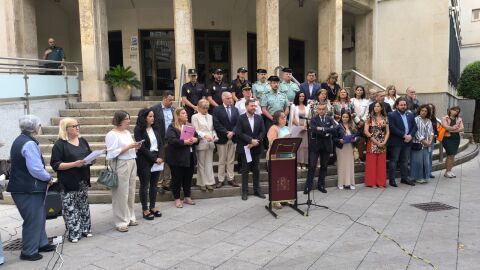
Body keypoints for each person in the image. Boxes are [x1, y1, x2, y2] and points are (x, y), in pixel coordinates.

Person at [7, 115, 56, 261]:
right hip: (28, 189)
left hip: (25, 188)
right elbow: (36, 169)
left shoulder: (21, 139)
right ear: (35, 128)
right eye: (39, 125)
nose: (40, 128)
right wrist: (48, 178)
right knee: (33, 219)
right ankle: (28, 251)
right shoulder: (29, 143)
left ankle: (41, 243)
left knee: (39, 217)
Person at [50, 118, 93, 242]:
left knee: (83, 205)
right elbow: (56, 165)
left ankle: (86, 229)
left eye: (78, 125)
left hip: (83, 179)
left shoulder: (83, 140)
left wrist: (92, 160)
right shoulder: (60, 144)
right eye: (74, 126)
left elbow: (88, 155)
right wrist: (74, 164)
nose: (77, 128)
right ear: (66, 129)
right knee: (70, 207)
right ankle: (74, 233)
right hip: (68, 181)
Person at [105, 111, 142, 232]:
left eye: (129, 118)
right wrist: (129, 147)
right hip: (121, 163)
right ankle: (121, 221)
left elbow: (129, 147)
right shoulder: (112, 134)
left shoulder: (126, 132)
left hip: (132, 161)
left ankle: (130, 217)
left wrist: (135, 147)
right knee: (121, 193)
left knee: (131, 191)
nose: (129, 121)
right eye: (127, 119)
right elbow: (111, 152)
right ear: (120, 120)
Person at [165, 108, 199, 208]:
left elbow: (198, 139)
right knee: (177, 179)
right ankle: (177, 198)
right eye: (183, 113)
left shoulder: (190, 126)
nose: (186, 114)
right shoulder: (172, 127)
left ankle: (187, 196)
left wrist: (196, 139)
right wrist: (184, 142)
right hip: (177, 158)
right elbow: (171, 140)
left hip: (190, 157)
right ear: (178, 115)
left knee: (188, 178)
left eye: (186, 113)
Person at [134, 109, 164, 220]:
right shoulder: (138, 129)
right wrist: (154, 158)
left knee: (154, 185)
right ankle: (145, 209)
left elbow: (161, 144)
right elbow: (142, 147)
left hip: (157, 159)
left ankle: (152, 207)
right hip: (144, 160)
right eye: (150, 116)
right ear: (144, 117)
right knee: (144, 185)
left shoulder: (156, 128)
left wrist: (160, 156)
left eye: (153, 116)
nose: (153, 118)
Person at [234, 99, 266, 200]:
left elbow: (263, 131)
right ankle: (245, 191)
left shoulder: (259, 117)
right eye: (252, 106)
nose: (254, 108)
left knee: (256, 169)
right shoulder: (241, 118)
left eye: (255, 106)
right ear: (246, 106)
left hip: (256, 147)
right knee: (245, 170)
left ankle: (257, 190)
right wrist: (250, 140)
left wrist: (256, 141)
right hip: (246, 148)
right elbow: (239, 132)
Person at [305, 103, 336, 194]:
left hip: (326, 145)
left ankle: (321, 185)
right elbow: (313, 129)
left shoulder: (330, 119)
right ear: (317, 110)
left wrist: (322, 129)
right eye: (319, 109)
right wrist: (326, 130)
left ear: (326, 110)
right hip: (315, 145)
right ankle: (308, 186)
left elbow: (334, 129)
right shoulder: (313, 119)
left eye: (323, 109)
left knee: (324, 166)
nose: (321, 111)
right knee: (312, 166)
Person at [388, 97, 418, 187]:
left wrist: (410, 136)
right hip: (396, 142)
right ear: (397, 105)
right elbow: (392, 128)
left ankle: (404, 178)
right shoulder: (391, 115)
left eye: (404, 105)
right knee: (394, 160)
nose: (403, 106)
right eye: (401, 105)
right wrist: (404, 135)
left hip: (407, 142)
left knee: (405, 161)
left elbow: (415, 127)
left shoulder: (410, 114)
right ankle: (392, 180)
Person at [213, 92, 240, 188]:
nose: (230, 100)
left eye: (231, 98)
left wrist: (232, 132)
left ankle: (230, 178)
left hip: (233, 138)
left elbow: (238, 123)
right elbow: (216, 124)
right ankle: (220, 179)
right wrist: (226, 132)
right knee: (222, 160)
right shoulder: (217, 110)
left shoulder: (235, 109)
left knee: (231, 160)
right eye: (228, 98)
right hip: (222, 139)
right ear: (223, 99)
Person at [151, 91, 175, 192]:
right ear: (164, 98)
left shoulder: (173, 110)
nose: (171, 102)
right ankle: (159, 184)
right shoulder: (155, 109)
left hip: (171, 140)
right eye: (170, 100)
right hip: (160, 139)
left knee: (169, 162)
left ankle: (167, 182)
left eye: (172, 100)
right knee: (160, 161)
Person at [192, 99, 217, 191]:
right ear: (198, 107)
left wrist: (214, 135)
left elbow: (213, 129)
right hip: (202, 142)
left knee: (209, 163)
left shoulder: (210, 116)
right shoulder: (195, 117)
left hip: (210, 142)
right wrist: (204, 135)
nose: (206, 110)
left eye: (207, 108)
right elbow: (196, 130)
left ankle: (209, 182)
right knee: (201, 164)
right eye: (204, 108)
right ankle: (202, 183)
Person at [266, 111, 290, 208]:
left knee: (285, 178)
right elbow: (272, 142)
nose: (284, 119)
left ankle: (284, 197)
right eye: (282, 117)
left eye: (285, 117)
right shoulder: (273, 128)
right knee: (275, 178)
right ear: (277, 119)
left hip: (286, 156)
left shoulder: (287, 128)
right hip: (274, 157)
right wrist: (284, 138)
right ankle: (275, 200)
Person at [364, 102, 390, 188]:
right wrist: (376, 142)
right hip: (372, 143)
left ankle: (381, 182)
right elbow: (366, 131)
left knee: (381, 164)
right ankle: (372, 183)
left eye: (378, 106)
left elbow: (387, 131)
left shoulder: (385, 118)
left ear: (381, 108)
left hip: (382, 143)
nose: (376, 108)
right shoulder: (369, 118)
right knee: (371, 164)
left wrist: (384, 142)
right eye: (375, 106)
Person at [333, 111, 359, 189]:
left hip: (350, 147)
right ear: (341, 117)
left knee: (350, 165)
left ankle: (351, 183)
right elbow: (334, 138)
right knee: (341, 165)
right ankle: (341, 183)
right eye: (343, 117)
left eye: (346, 117)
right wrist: (339, 140)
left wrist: (355, 139)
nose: (345, 118)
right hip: (341, 148)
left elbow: (358, 136)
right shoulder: (338, 126)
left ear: (349, 118)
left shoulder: (352, 126)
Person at [261, 75, 289, 145]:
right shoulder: (266, 95)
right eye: (274, 83)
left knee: (282, 138)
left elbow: (287, 108)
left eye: (277, 83)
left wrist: (283, 117)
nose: (276, 84)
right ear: (270, 84)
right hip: (270, 119)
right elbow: (263, 109)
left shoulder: (283, 95)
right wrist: (273, 118)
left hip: (282, 119)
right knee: (271, 140)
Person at [410, 105, 434, 184]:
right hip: (418, 144)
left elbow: (431, 132)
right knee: (418, 161)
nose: (423, 112)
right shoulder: (416, 119)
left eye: (425, 111)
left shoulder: (429, 120)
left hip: (427, 145)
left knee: (426, 162)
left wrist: (430, 141)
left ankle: (425, 176)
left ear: (428, 112)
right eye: (422, 110)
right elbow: (416, 132)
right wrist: (424, 141)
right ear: (419, 111)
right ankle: (417, 177)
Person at [441, 106, 464, 178]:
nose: (455, 112)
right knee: (450, 154)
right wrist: (454, 128)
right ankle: (447, 172)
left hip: (456, 138)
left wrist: (452, 130)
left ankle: (449, 170)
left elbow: (462, 128)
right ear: (450, 110)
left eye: (457, 111)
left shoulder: (459, 119)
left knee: (453, 155)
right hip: (447, 138)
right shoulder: (445, 118)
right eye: (454, 110)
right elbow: (445, 127)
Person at [291, 91, 311, 170]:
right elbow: (292, 119)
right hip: (297, 128)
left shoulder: (308, 106)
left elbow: (309, 117)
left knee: (305, 146)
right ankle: (298, 163)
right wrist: (300, 127)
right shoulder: (294, 106)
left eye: (303, 96)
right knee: (298, 146)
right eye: (300, 96)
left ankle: (304, 163)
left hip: (305, 128)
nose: (302, 97)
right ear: (297, 97)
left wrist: (305, 126)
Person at [350, 85, 369, 162]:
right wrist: (358, 121)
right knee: (354, 139)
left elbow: (367, 112)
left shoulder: (366, 101)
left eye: (361, 90)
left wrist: (363, 121)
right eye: (358, 90)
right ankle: (353, 157)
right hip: (354, 122)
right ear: (355, 91)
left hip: (363, 123)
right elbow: (352, 111)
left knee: (361, 140)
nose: (359, 91)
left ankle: (359, 157)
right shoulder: (351, 100)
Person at [427, 103, 438, 178]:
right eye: (429, 108)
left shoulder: (434, 118)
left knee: (430, 156)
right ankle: (424, 171)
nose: (430, 110)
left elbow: (435, 129)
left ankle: (429, 172)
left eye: (432, 108)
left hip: (432, 139)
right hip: (424, 140)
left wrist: (436, 134)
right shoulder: (424, 117)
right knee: (425, 157)